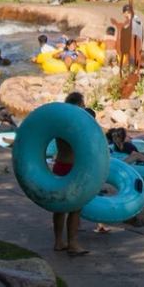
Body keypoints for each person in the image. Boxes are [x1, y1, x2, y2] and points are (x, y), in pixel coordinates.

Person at [50, 91, 98, 254]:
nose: (84, 108)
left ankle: (58, 242)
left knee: (59, 207)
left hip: (59, 166)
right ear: (78, 105)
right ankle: (73, 243)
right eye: (83, 105)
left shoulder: (60, 122)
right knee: (75, 207)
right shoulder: (77, 124)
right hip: (73, 168)